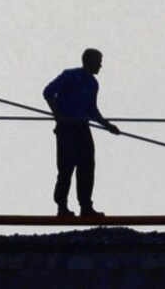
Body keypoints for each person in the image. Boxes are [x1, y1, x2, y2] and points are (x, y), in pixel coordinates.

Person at [43, 48, 120, 217]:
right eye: (98, 61)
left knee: (87, 168)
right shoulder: (70, 75)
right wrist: (58, 115)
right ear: (89, 61)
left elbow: (92, 110)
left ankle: (86, 207)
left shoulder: (93, 84)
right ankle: (62, 207)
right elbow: (48, 92)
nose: (101, 65)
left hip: (82, 129)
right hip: (67, 129)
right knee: (66, 169)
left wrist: (108, 125)